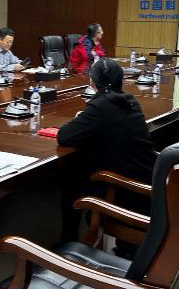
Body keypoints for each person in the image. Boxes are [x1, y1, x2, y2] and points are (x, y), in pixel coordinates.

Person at [57, 58, 157, 243]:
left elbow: (64, 136)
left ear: (92, 82)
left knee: (74, 178)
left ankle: (68, 242)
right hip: (149, 182)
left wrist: (81, 119)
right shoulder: (130, 100)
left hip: (128, 193)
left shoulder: (100, 106)